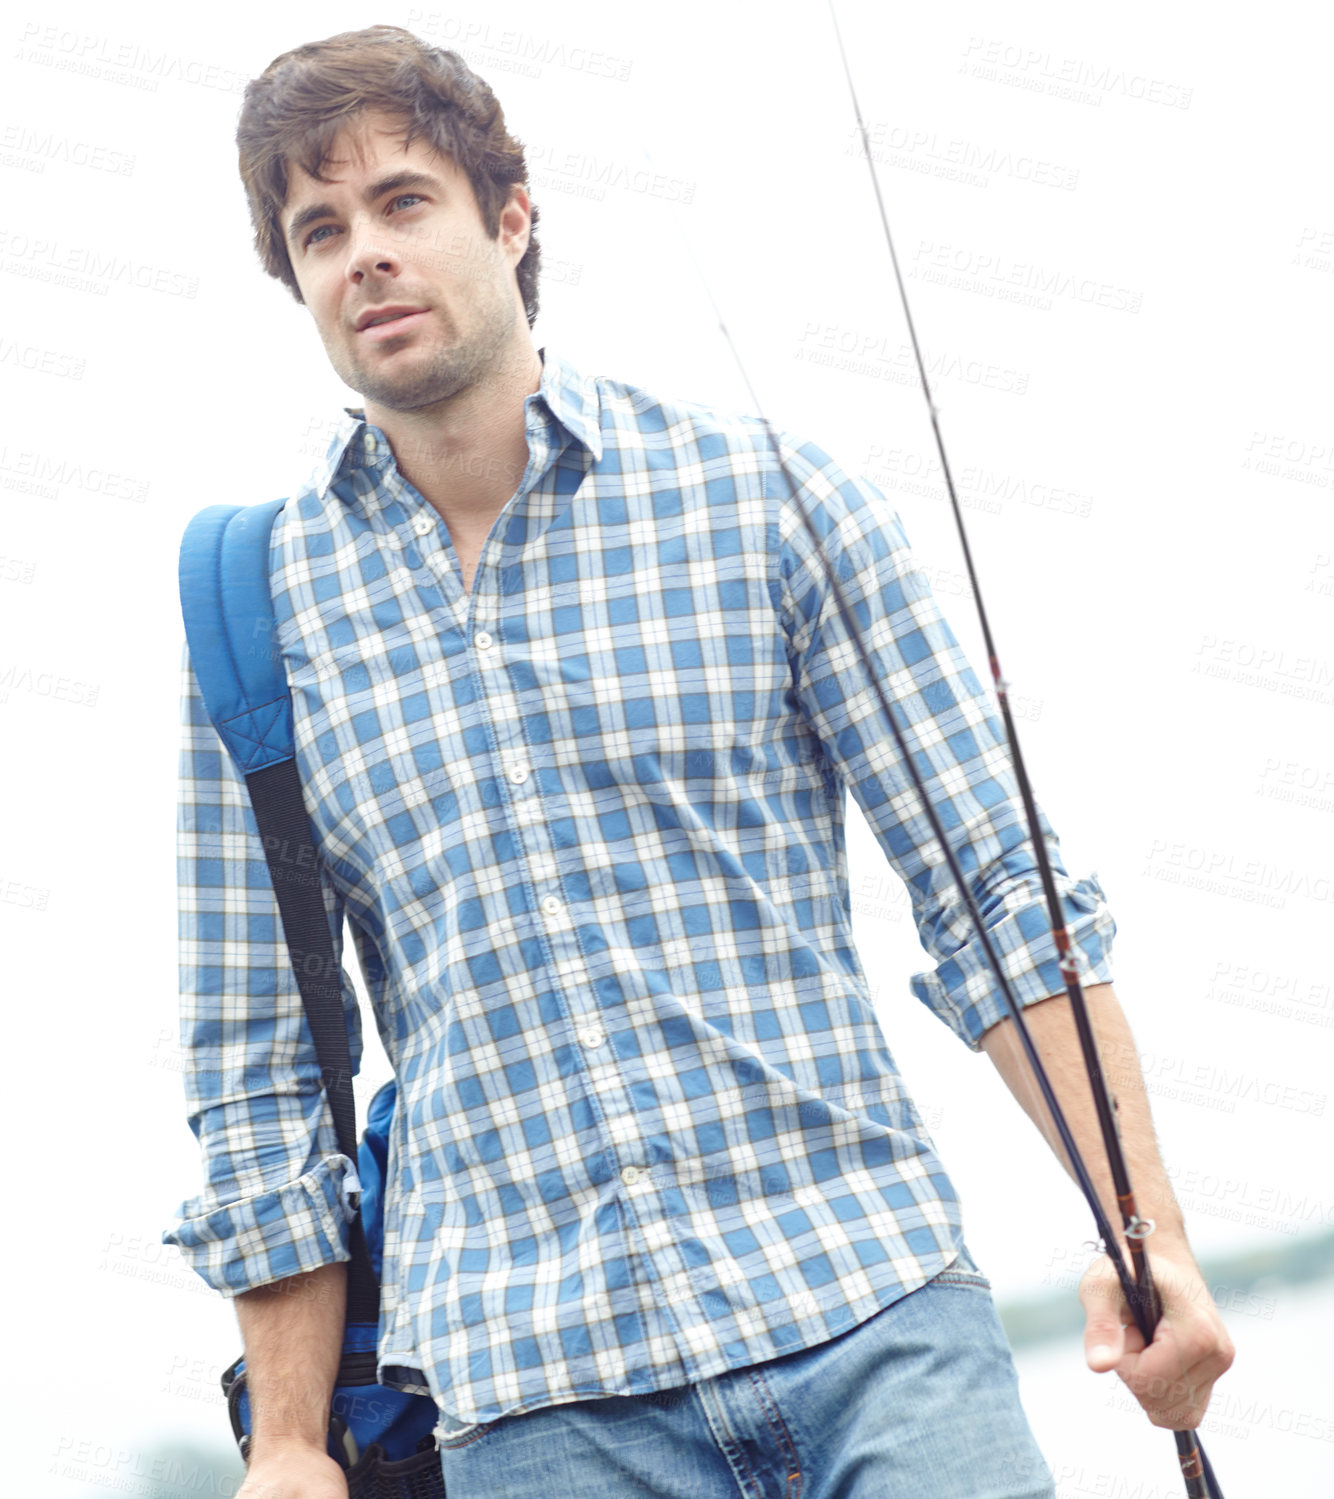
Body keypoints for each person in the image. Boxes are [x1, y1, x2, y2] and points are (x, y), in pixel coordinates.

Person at [162, 24, 1233, 1499]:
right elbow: (257, 1063)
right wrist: (286, 1444)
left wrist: (1143, 1233)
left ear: (510, 219)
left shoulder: (769, 498)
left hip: (872, 1322)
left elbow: (996, 892)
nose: (364, 257)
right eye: (319, 230)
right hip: (535, 1404)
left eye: (404, 202)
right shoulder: (254, 613)